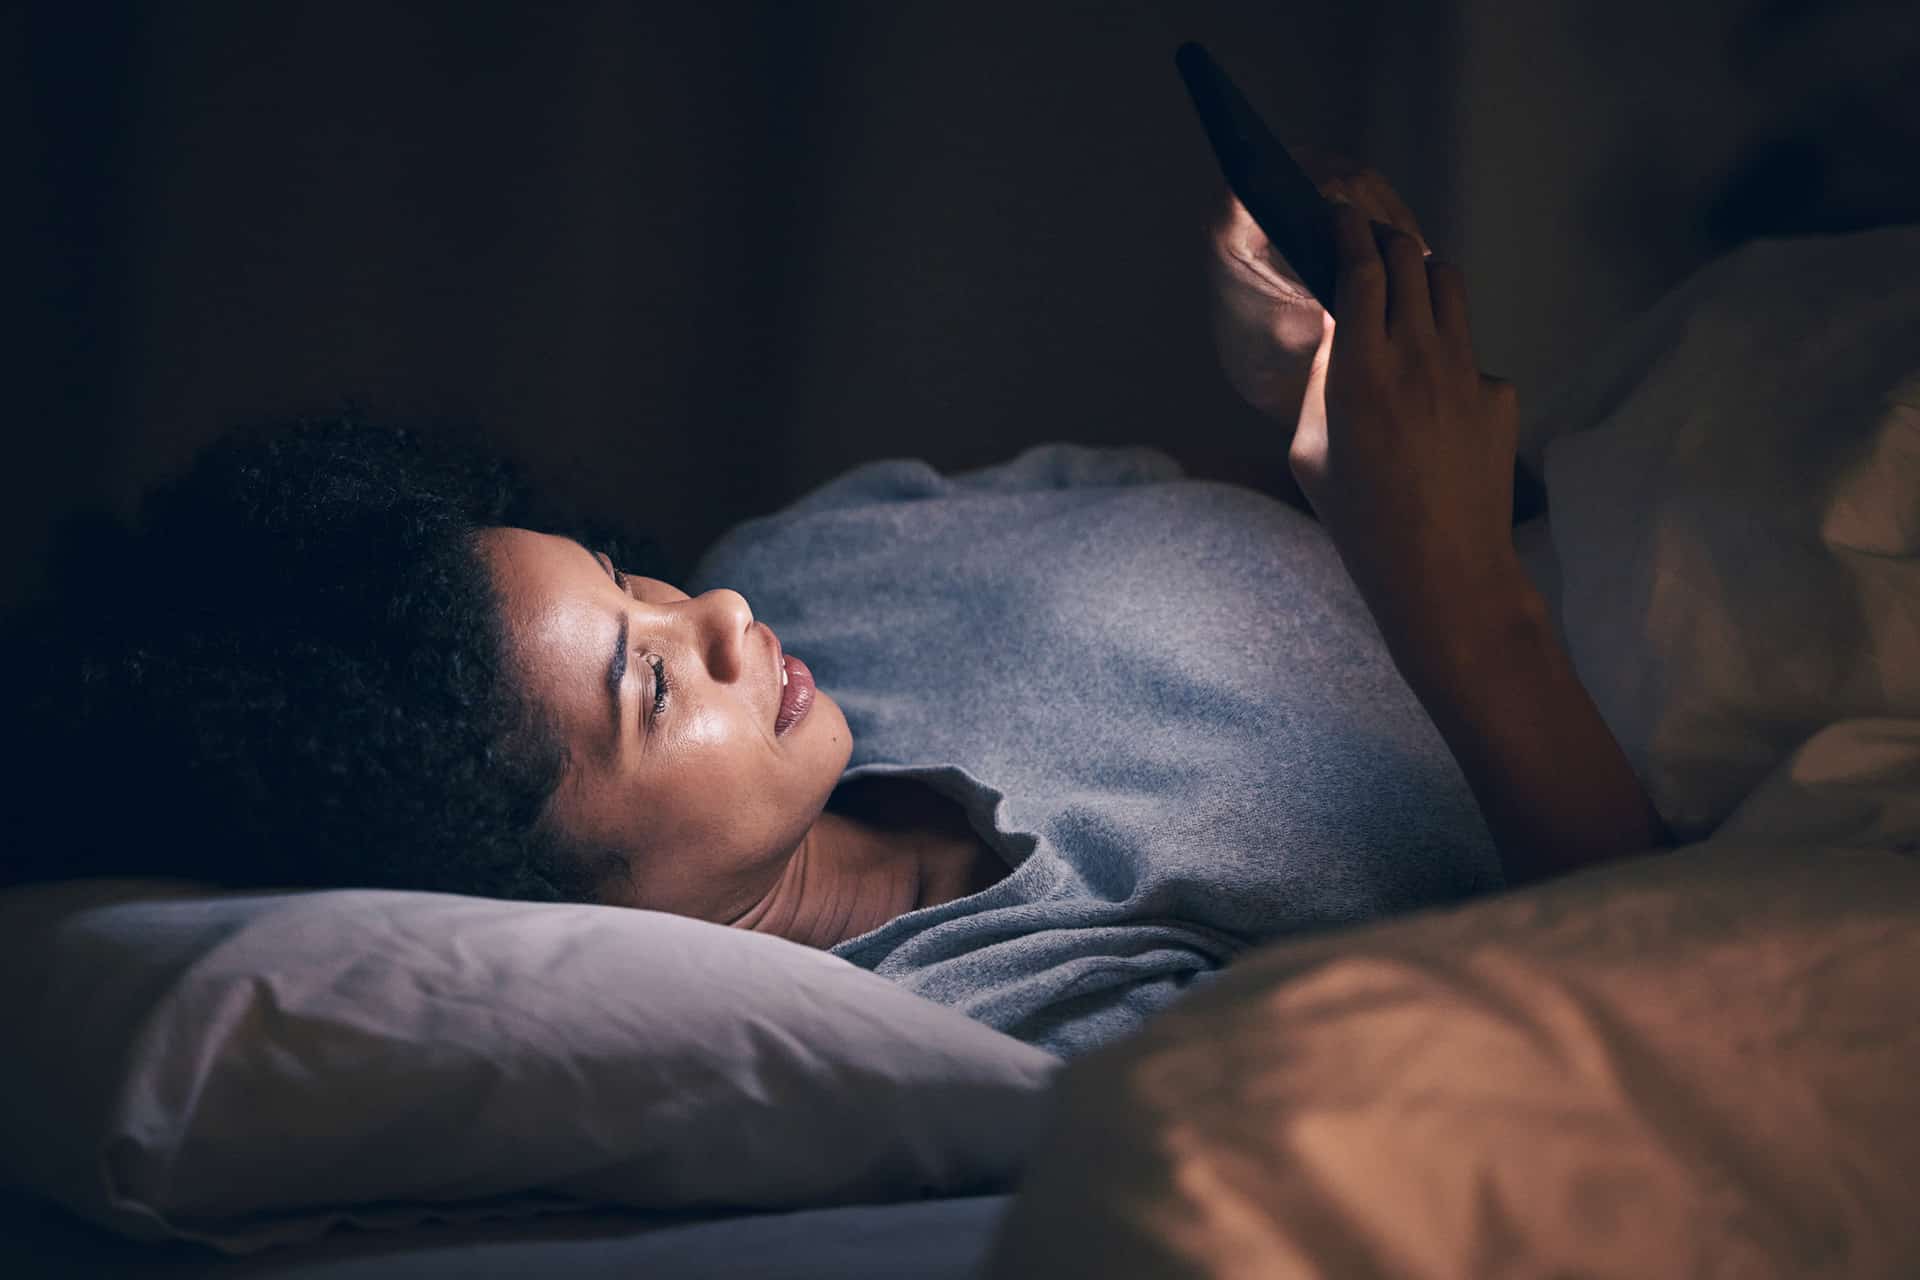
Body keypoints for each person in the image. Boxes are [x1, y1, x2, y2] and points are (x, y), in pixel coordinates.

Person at [6, 160, 1668, 1056]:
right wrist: (1454, 597)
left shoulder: (829, 554)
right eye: (648, 690)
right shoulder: (1013, 1018)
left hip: (1653, 486)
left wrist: (1325, 381)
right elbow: (1662, 1002)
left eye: (635, 585)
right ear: (552, 907)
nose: (723, 611)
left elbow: (1271, 497)